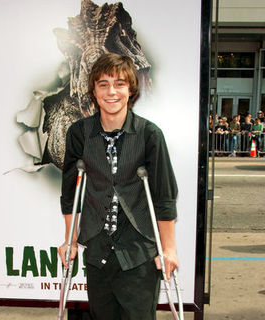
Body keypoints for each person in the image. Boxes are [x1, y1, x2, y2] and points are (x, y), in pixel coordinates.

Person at [58, 53, 178, 320]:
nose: (111, 91)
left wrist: (168, 248)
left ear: (130, 89)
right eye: (103, 84)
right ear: (94, 90)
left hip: (138, 251)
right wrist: (71, 240)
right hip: (98, 249)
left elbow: (164, 196)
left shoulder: (149, 135)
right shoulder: (79, 133)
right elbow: (71, 194)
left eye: (120, 83)